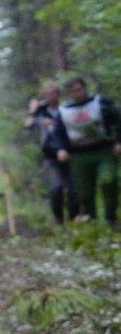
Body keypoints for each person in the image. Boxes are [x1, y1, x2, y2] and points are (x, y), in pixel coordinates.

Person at [44, 76, 121, 227]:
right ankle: (92, 220)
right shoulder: (64, 111)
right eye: (73, 91)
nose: (77, 93)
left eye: (79, 89)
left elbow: (117, 121)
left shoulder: (101, 103)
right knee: (84, 192)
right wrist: (61, 149)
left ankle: (111, 219)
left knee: (109, 180)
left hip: (104, 149)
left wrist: (119, 141)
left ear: (85, 88)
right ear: (68, 93)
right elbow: (58, 133)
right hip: (79, 154)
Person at [24, 83, 74, 224]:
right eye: (48, 93)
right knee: (56, 187)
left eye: (54, 93)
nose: (52, 96)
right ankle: (58, 218)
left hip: (69, 152)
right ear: (44, 95)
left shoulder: (66, 108)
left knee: (72, 188)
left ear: (58, 94)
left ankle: (74, 219)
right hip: (49, 156)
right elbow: (27, 127)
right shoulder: (40, 111)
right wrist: (33, 113)